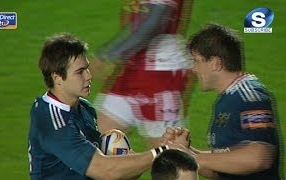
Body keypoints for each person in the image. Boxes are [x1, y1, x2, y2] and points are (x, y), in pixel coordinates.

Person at [27, 32, 174, 180]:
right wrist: (163, 152)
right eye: (80, 72)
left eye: (87, 68)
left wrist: (156, 150)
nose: (89, 76)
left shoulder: (84, 108)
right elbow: (104, 170)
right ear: (57, 78)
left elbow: (121, 173)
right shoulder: (51, 119)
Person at [163, 23, 281, 179]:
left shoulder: (250, 96)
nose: (194, 69)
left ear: (215, 63)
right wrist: (182, 151)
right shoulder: (226, 99)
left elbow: (259, 157)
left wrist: (191, 157)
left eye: (196, 61)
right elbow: (218, 171)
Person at [94, 0, 195, 148]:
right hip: (131, 71)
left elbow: (153, 23)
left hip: (160, 76)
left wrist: (111, 55)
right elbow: (138, 20)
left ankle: (229, 166)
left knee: (171, 161)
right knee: (95, 145)